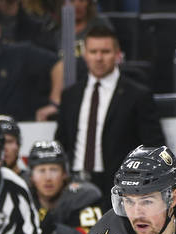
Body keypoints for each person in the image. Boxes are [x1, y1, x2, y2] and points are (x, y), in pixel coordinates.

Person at [55, 24, 164, 194]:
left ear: (117, 54)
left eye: (105, 52)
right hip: (75, 184)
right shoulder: (70, 95)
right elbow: (62, 141)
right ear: (85, 54)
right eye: (93, 52)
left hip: (121, 185)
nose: (99, 58)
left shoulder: (137, 95)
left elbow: (153, 145)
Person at [24, 139, 103, 234]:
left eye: (54, 170)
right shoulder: (20, 196)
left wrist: (52, 231)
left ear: (65, 173)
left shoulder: (85, 196)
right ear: (31, 176)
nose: (48, 178)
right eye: (41, 170)